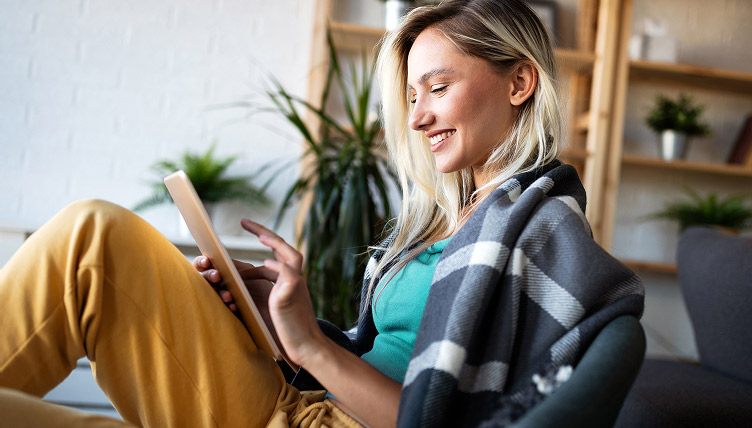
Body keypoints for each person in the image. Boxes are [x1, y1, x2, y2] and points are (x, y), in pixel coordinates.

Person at [0, 0, 644, 426]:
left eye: (438, 89)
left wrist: (308, 345)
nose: (417, 117)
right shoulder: (459, 221)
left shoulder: (541, 230)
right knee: (94, 236)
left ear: (519, 82)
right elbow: (381, 357)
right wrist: (286, 322)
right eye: (413, 95)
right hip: (305, 397)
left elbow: (447, 421)